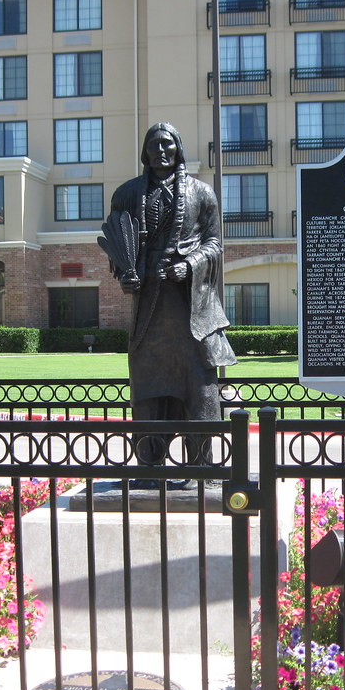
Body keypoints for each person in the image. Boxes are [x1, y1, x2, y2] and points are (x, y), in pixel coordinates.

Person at [108, 122, 236, 468]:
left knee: (198, 385)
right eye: (154, 145)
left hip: (189, 306)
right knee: (148, 388)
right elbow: (117, 246)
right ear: (145, 151)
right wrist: (125, 276)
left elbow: (214, 244)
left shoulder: (201, 193)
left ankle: (201, 466)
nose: (161, 151)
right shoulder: (127, 194)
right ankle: (150, 467)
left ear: (178, 148)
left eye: (167, 144)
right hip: (149, 309)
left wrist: (190, 264)